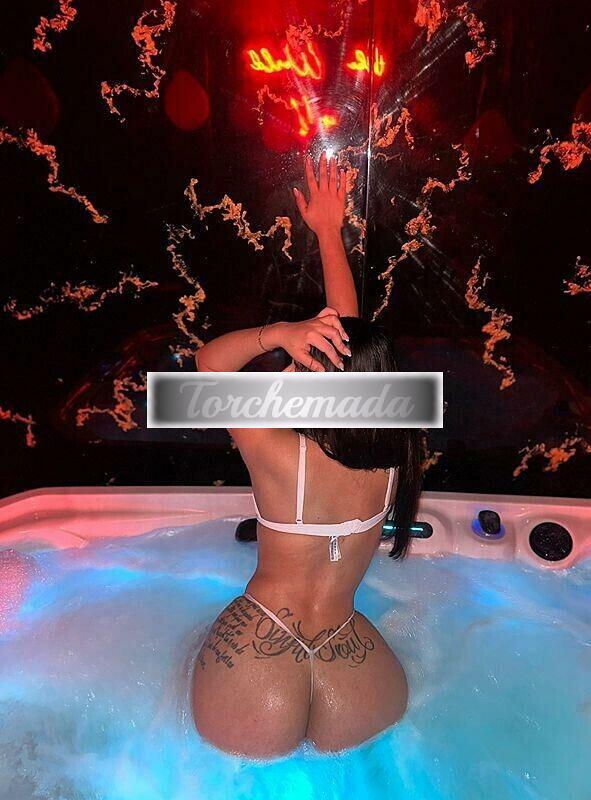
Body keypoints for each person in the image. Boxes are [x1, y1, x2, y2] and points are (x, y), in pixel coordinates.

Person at [191, 152, 423, 758]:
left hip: (257, 653)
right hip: (355, 661)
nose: (295, 370)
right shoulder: (394, 452)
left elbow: (209, 365)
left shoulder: (272, 447)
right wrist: (329, 232)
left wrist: (277, 335)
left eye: (305, 366)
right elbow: (352, 343)